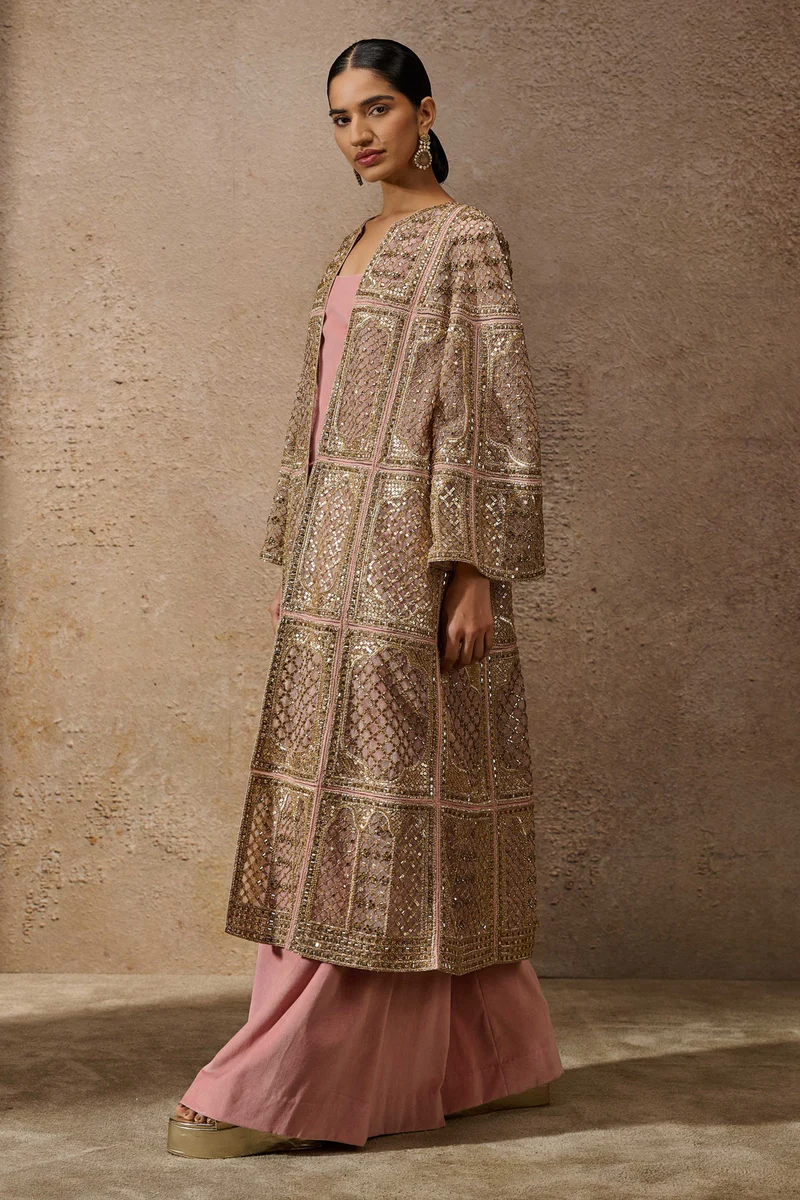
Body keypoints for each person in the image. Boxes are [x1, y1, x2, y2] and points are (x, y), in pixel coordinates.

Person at [168, 37, 563, 1159]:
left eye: (378, 109)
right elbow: (322, 413)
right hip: (331, 565)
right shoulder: (356, 243)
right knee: (386, 800)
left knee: (373, 808)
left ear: (425, 111)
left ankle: (285, 1077)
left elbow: (490, 404)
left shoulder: (462, 238)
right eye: (341, 117)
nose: (359, 134)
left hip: (411, 565)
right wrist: (305, 554)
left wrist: (475, 571)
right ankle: (498, 1059)